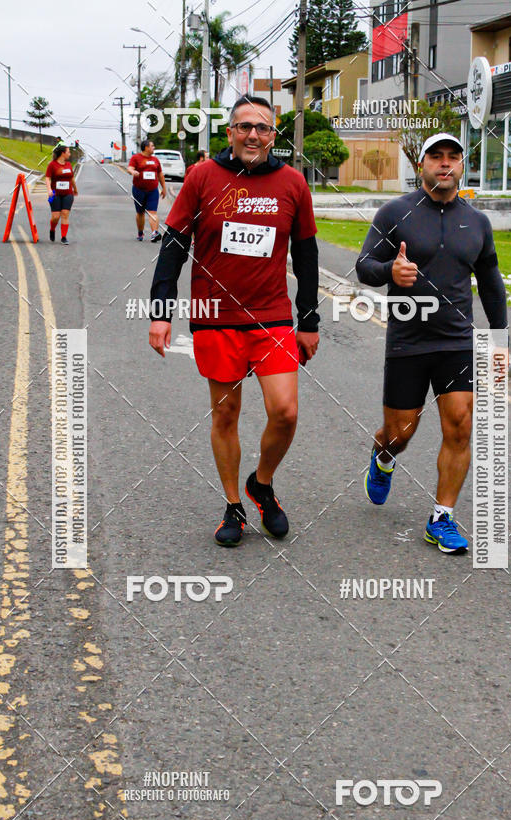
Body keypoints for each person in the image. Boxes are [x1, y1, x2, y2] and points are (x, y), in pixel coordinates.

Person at [148, 95, 320, 546]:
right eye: (244, 126)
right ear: (230, 133)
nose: (253, 135)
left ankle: (260, 484)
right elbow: (173, 245)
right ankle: (233, 506)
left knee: (285, 411)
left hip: (272, 318)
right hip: (215, 318)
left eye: (262, 128)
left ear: (273, 135)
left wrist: (310, 319)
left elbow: (306, 255)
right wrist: (160, 313)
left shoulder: (293, 184)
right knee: (226, 413)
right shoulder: (203, 177)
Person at [355, 133, 508, 554]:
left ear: (462, 165)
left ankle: (441, 518)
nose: (445, 164)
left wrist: (499, 339)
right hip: (408, 339)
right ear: (421, 164)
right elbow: (364, 266)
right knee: (401, 430)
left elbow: (491, 283)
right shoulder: (395, 212)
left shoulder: (477, 222)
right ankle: (384, 457)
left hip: (457, 341)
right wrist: (391, 271)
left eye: (452, 158)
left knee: (460, 426)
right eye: (436, 157)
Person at [127, 140, 166, 242]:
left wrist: (164, 188)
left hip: (153, 190)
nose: (154, 147)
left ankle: (154, 233)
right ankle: (140, 232)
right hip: (139, 190)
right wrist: (133, 172)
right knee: (140, 213)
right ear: (146, 147)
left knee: (152, 212)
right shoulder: (136, 158)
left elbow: (160, 175)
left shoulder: (155, 160)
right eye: (152, 146)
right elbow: (129, 168)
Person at [45, 145, 78, 244]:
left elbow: (72, 178)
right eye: (68, 152)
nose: (69, 154)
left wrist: (75, 189)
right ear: (63, 153)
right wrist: (49, 190)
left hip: (68, 193)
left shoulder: (68, 164)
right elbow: (47, 178)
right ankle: (52, 229)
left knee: (65, 214)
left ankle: (64, 237)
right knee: (55, 216)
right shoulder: (52, 165)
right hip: (55, 194)